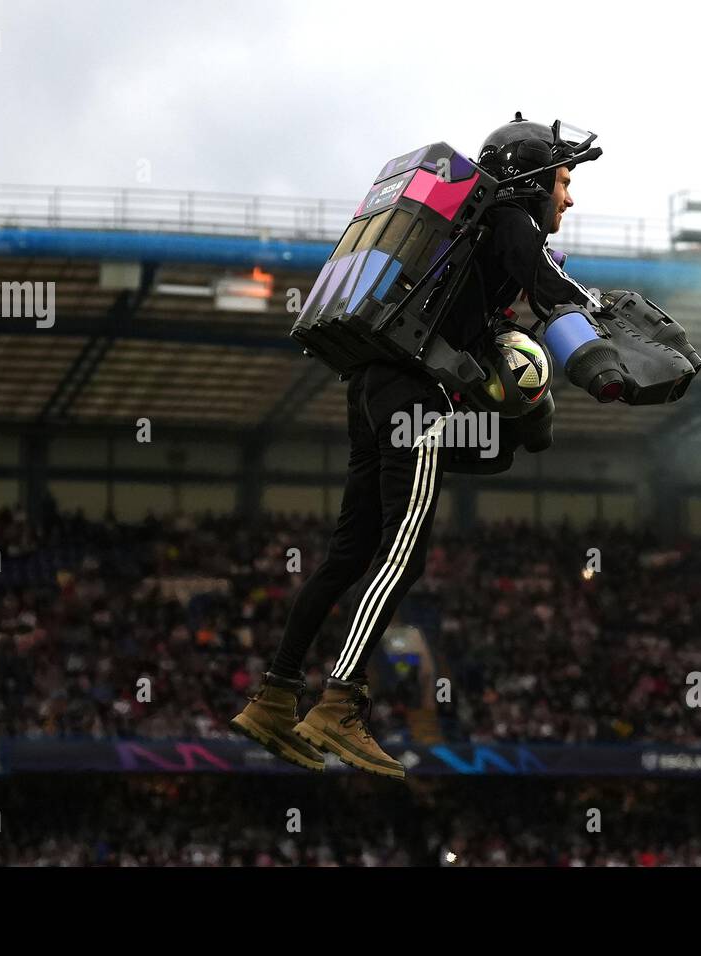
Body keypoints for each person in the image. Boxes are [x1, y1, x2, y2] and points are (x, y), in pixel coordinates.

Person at [231, 114, 601, 779]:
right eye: (565, 181)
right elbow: (550, 291)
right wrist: (605, 328)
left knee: (348, 553)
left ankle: (275, 698)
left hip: (372, 381)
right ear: (533, 178)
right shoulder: (512, 221)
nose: (569, 198)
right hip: (414, 396)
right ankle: (339, 701)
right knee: (403, 553)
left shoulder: (473, 228)